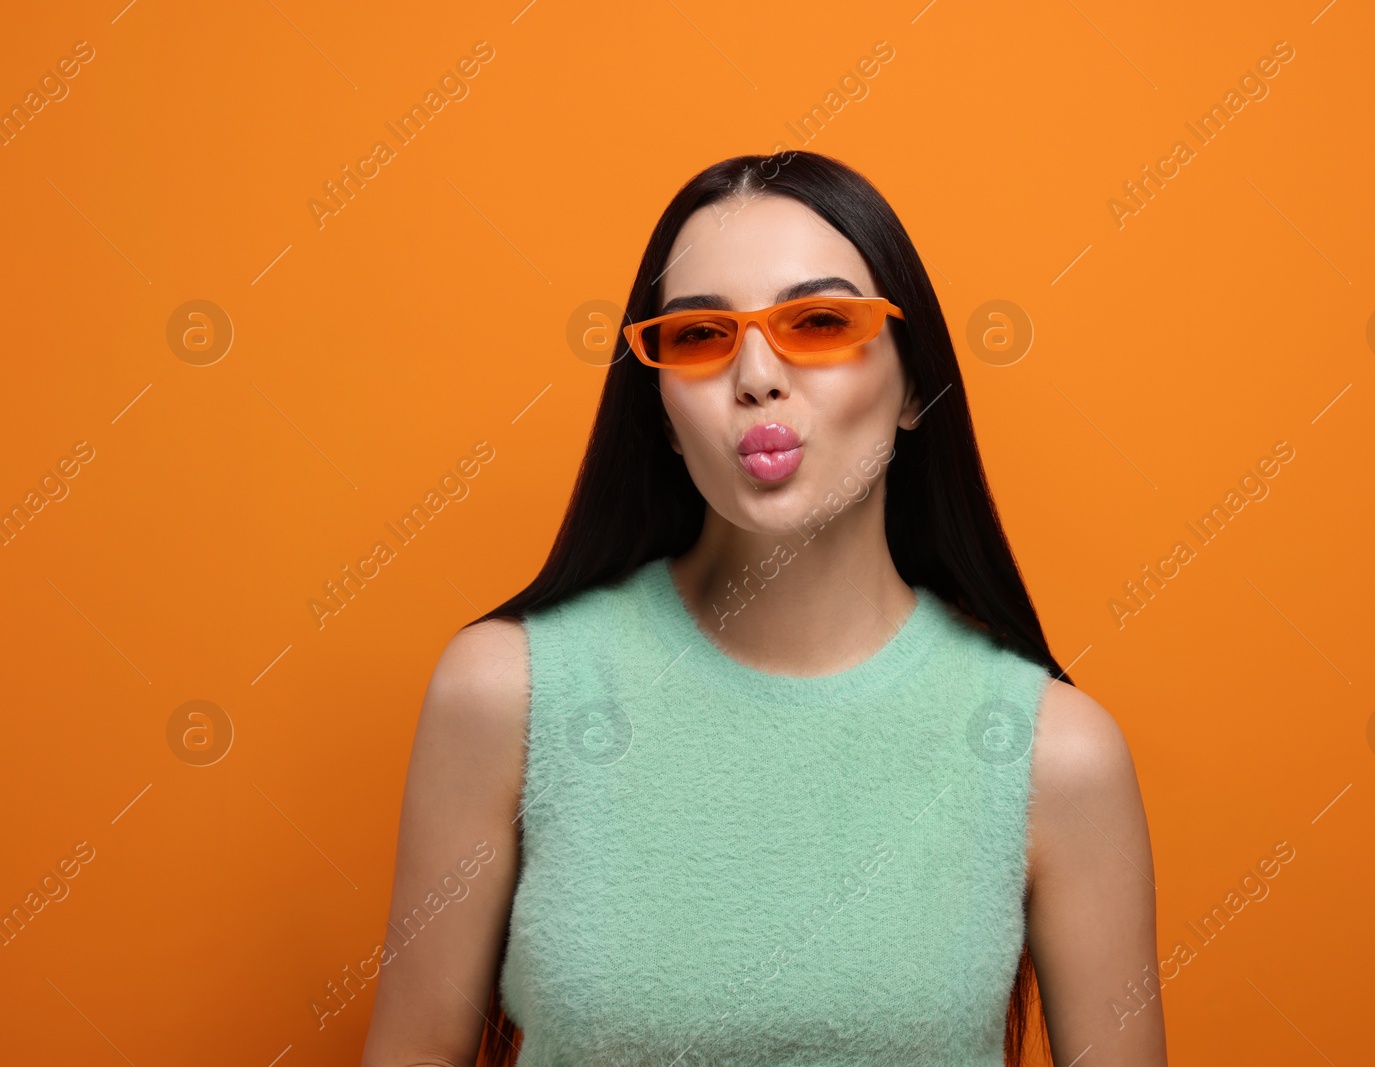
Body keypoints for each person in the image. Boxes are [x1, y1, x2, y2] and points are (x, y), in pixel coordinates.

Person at [360, 151, 1167, 1066]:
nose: (755, 376)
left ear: (914, 387)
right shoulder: (507, 694)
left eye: (819, 321)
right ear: (661, 410)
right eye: (700, 336)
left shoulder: (1053, 753)